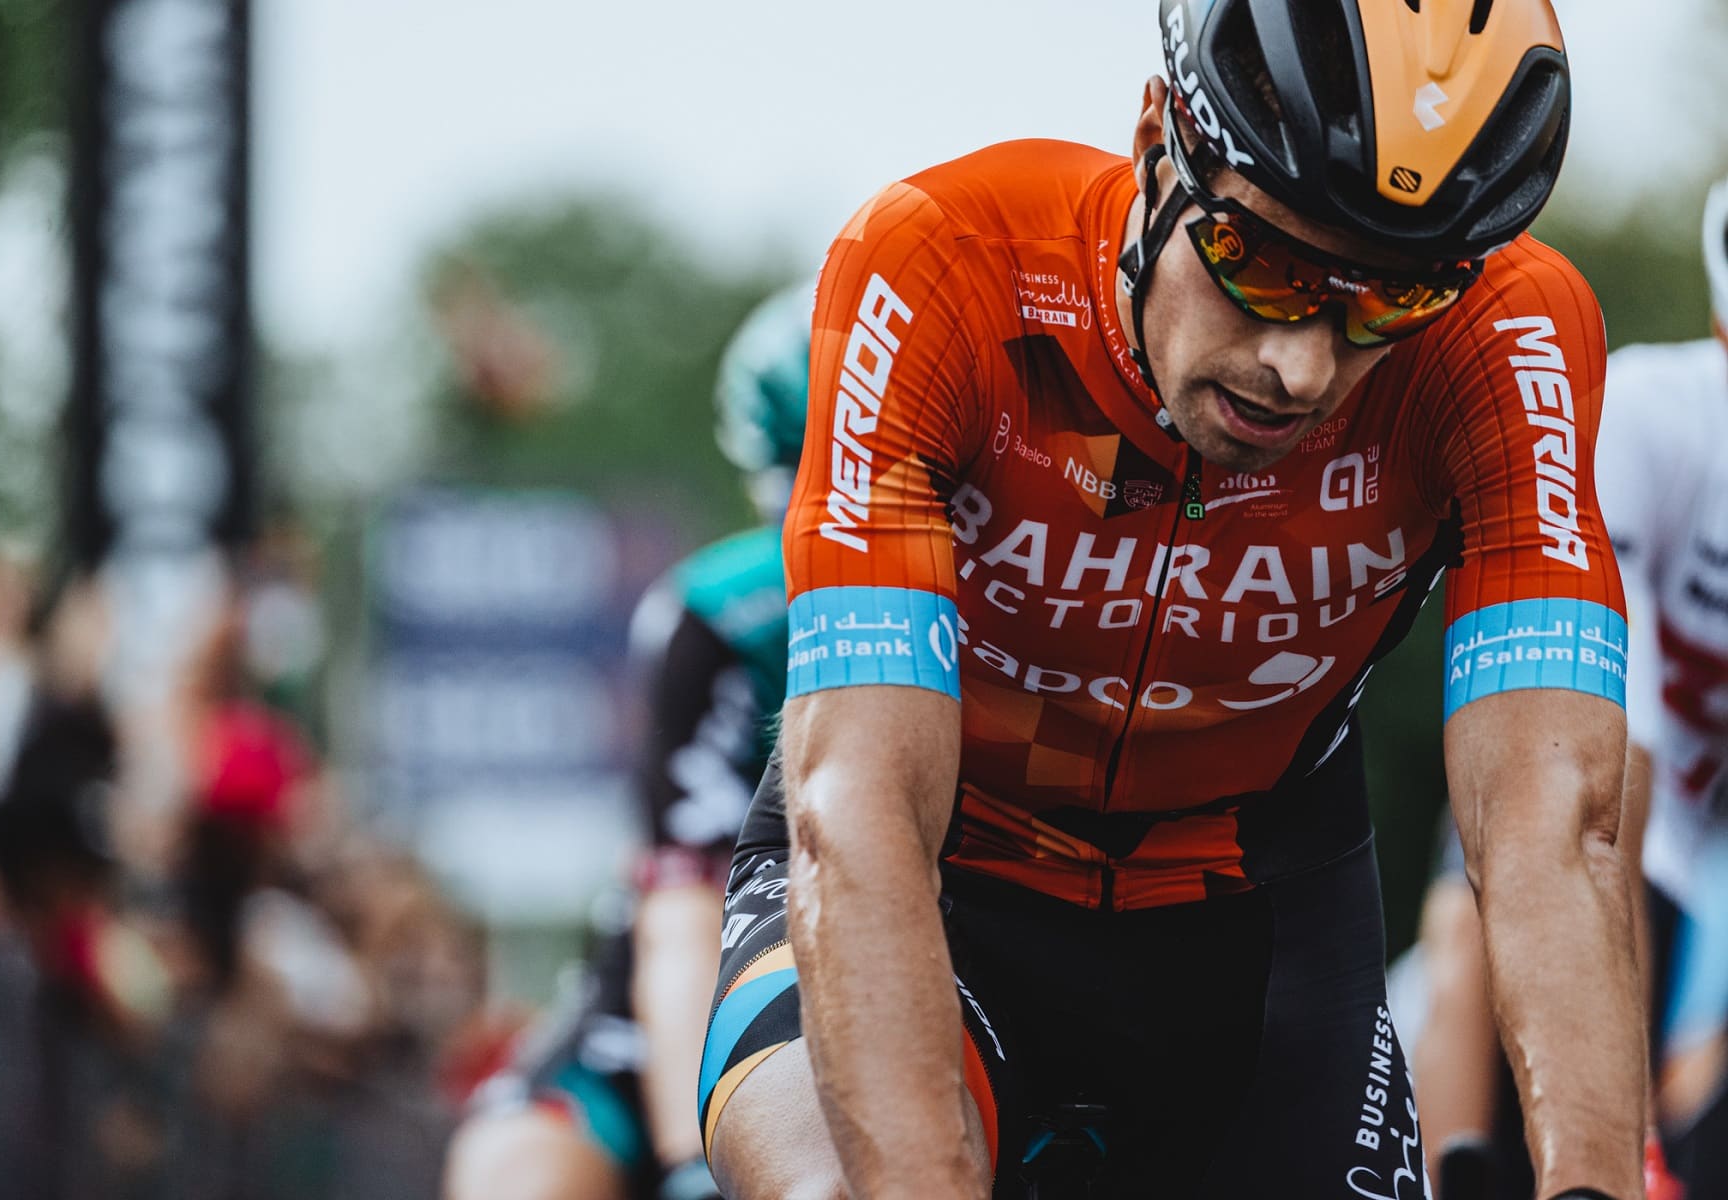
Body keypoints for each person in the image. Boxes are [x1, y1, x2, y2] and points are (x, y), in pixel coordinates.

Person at [696, 2, 1647, 1197]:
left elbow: (1553, 827)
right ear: (1158, 140)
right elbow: (864, 814)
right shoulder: (945, 265)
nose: (1301, 365)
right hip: (941, 871)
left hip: (1255, 913)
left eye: (1390, 302)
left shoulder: (1507, 334)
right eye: (1266, 267)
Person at [445, 285, 810, 1200]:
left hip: (938, 982)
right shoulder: (727, 614)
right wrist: (696, 1163)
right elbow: (686, 897)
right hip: (696, 996)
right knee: (512, 1172)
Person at [1414, 176, 1728, 1200]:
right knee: (1493, 895)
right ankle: (1441, 1171)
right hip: (1600, 767)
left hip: (1706, 843)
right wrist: (1630, 1138)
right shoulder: (1654, 418)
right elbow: (1612, 769)